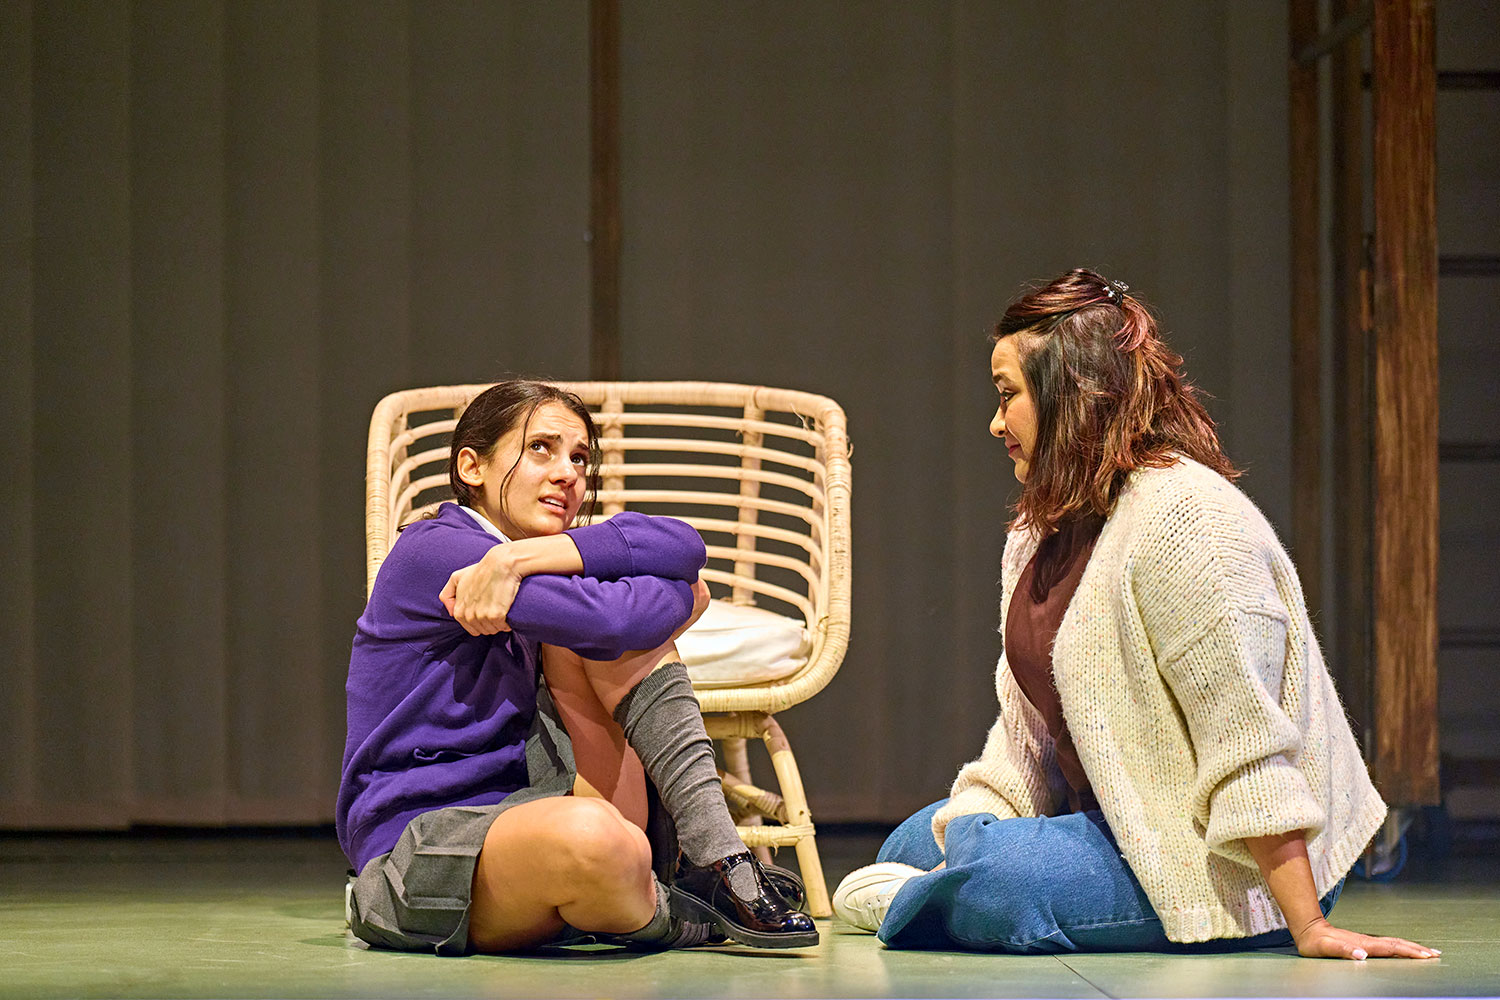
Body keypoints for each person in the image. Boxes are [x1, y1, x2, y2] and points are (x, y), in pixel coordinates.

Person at [832, 268, 1439, 961]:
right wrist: (979, 819)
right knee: (913, 841)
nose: (994, 422)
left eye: (1009, 397)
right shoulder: (1041, 530)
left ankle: (949, 888)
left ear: (1068, 397)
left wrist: (1308, 924)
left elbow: (1246, 740)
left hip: (1227, 853)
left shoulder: (1190, 522)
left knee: (1000, 880)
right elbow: (1026, 733)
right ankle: (941, 886)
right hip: (1117, 818)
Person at [338, 380, 816, 954]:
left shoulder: (521, 560)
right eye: (541, 448)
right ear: (472, 467)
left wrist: (520, 556)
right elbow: (625, 617)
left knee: (602, 648)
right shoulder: (434, 550)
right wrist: (678, 596)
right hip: (425, 837)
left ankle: (718, 857)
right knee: (597, 839)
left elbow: (685, 551)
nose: (567, 472)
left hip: (537, 805)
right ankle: (680, 908)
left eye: (580, 457)